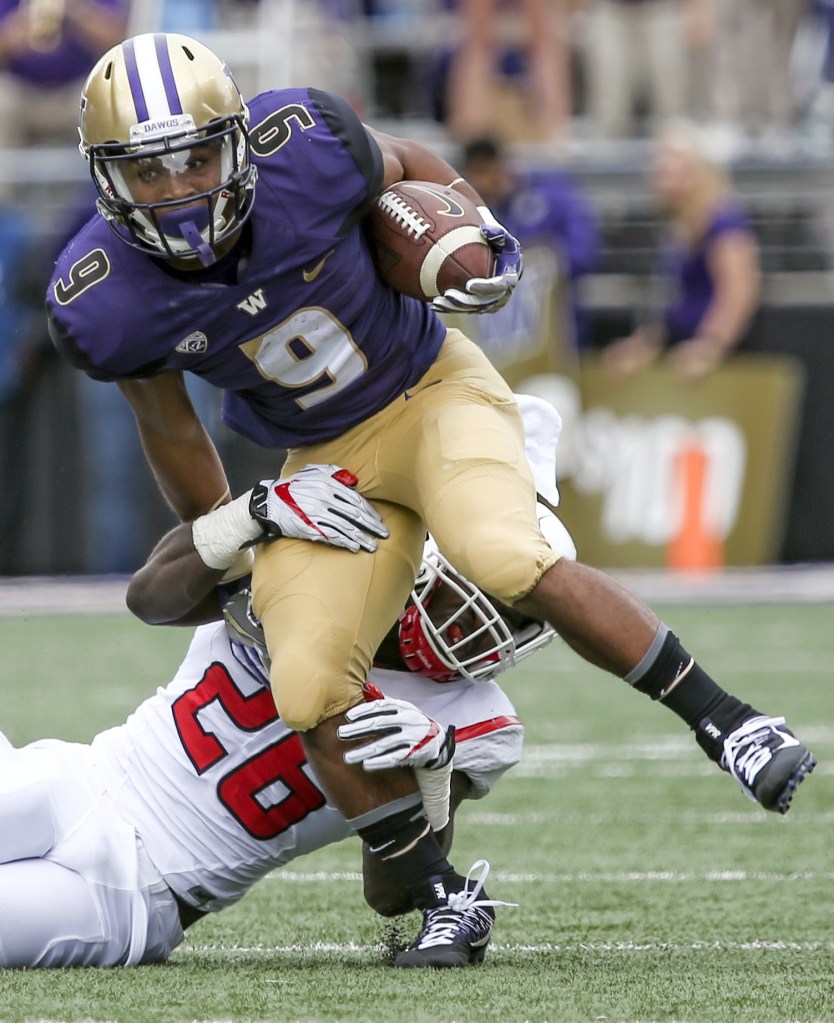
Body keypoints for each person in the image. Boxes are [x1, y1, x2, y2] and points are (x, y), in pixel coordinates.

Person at [48, 32, 814, 970]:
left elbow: (407, 166)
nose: (179, 190)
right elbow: (171, 428)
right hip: (324, 455)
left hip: (433, 387)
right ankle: (443, 899)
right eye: (149, 173)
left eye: (197, 158)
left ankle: (729, 719)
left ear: (239, 143)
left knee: (502, 556)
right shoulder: (105, 301)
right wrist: (238, 538)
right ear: (106, 180)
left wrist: (465, 227)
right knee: (304, 680)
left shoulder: (309, 143)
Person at [0, 480, 550, 967]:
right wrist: (246, 513)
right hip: (75, 782)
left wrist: (432, 774)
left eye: (519, 615)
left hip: (138, 894)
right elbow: (148, 599)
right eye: (494, 597)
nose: (489, 628)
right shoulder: (330, 564)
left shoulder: (477, 718)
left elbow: (389, 897)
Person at [603, 119, 761, 378]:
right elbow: (679, 303)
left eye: (668, 169)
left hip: (723, 362)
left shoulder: (722, 222)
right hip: (683, 350)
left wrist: (709, 347)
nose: (658, 178)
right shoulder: (679, 226)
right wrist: (648, 344)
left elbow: (739, 291)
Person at [459, 135, 600, 347]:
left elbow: (585, 250)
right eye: (473, 175)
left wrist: (540, 260)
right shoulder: (474, 215)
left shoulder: (550, 196)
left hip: (556, 325)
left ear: (500, 166)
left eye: (484, 171)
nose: (480, 183)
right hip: (497, 335)